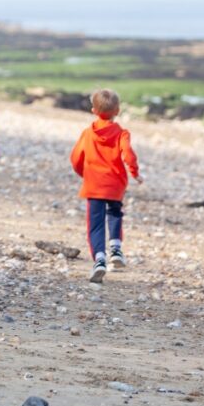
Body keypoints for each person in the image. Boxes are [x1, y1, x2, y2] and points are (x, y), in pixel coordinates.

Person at [70, 88, 143, 283]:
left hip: (94, 185)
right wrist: (135, 172)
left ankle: (100, 259)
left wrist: (85, 174)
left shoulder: (87, 134)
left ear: (93, 110)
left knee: (95, 224)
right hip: (115, 185)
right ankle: (116, 248)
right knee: (115, 213)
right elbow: (128, 154)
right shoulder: (122, 133)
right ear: (117, 110)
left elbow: (76, 158)